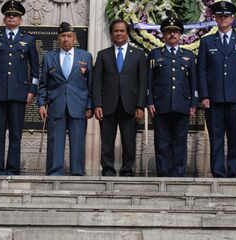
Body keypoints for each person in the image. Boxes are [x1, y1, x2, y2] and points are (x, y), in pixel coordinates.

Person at [197, 1, 236, 178]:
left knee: (235, 137)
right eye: (220, 16)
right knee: (216, 138)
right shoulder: (207, 41)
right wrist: (204, 95)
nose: (223, 19)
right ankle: (218, 173)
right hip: (213, 99)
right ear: (215, 18)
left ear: (232, 18)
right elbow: (202, 70)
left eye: (226, 16)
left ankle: (234, 172)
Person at [0, 0, 39, 175]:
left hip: (19, 92)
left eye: (15, 16)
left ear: (21, 20)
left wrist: (32, 91)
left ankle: (13, 168)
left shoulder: (28, 39)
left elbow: (35, 69)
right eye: (8, 15)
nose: (12, 18)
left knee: (15, 134)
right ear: (4, 19)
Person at [92, 19, 148, 176]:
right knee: (107, 141)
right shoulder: (103, 55)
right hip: (107, 105)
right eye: (116, 31)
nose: (119, 33)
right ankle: (108, 170)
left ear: (127, 33)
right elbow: (97, 82)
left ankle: (127, 170)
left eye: (122, 30)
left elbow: (143, 83)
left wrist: (140, 105)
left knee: (129, 141)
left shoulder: (138, 55)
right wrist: (97, 104)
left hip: (130, 105)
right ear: (111, 34)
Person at [37, 22, 93, 176]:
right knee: (55, 141)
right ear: (58, 38)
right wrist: (41, 103)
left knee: (78, 141)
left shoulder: (86, 56)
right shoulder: (49, 57)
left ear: (75, 38)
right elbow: (43, 84)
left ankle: (77, 173)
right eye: (63, 36)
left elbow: (90, 84)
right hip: (56, 104)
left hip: (79, 105)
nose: (66, 39)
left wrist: (90, 105)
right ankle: (55, 173)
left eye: (69, 36)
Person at [147, 17, 198, 177]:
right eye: (168, 32)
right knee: (162, 142)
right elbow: (149, 82)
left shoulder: (188, 56)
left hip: (181, 105)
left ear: (181, 35)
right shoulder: (155, 55)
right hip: (160, 105)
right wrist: (149, 102)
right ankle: (163, 174)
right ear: (163, 35)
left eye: (175, 32)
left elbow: (193, 83)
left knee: (179, 142)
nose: (172, 35)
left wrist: (193, 103)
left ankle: (178, 175)